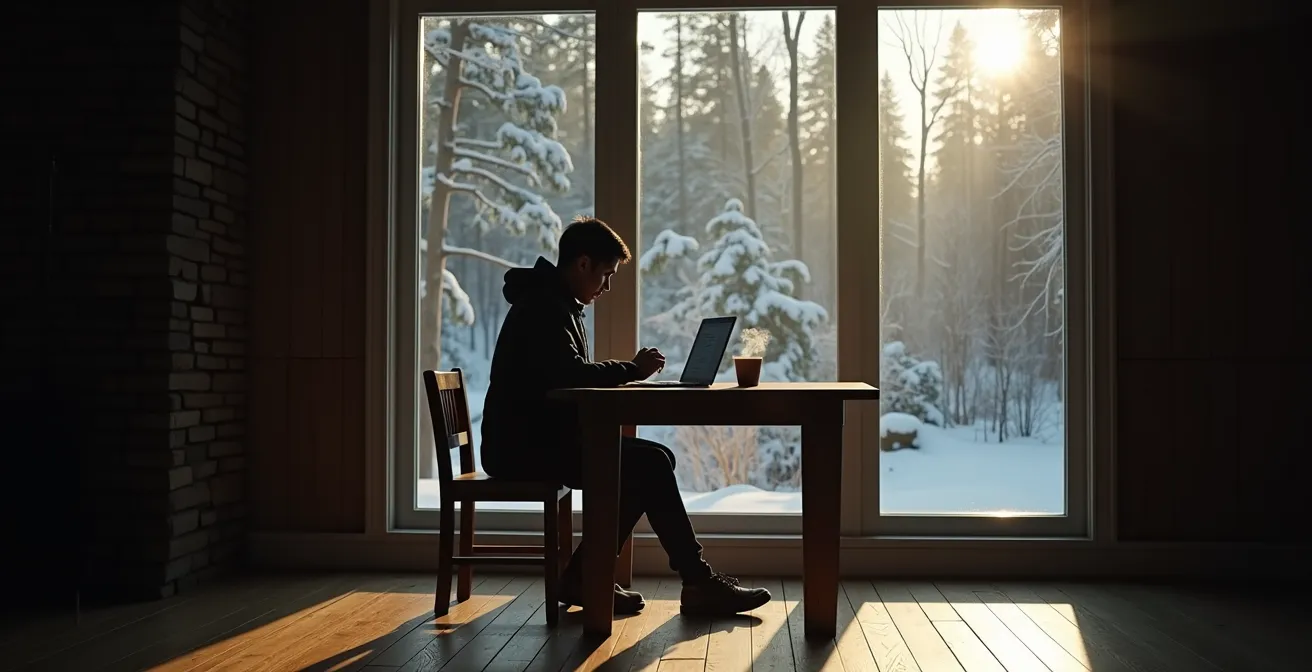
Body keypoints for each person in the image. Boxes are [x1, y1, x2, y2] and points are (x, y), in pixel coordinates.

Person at [480, 216, 771, 617]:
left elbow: (563, 374)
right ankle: (694, 581)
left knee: (655, 460)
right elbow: (569, 374)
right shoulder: (544, 307)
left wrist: (626, 374)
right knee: (649, 463)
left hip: (534, 439)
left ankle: (589, 574)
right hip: (522, 449)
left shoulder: (554, 302)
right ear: (582, 264)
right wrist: (631, 370)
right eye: (606, 274)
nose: (607, 286)